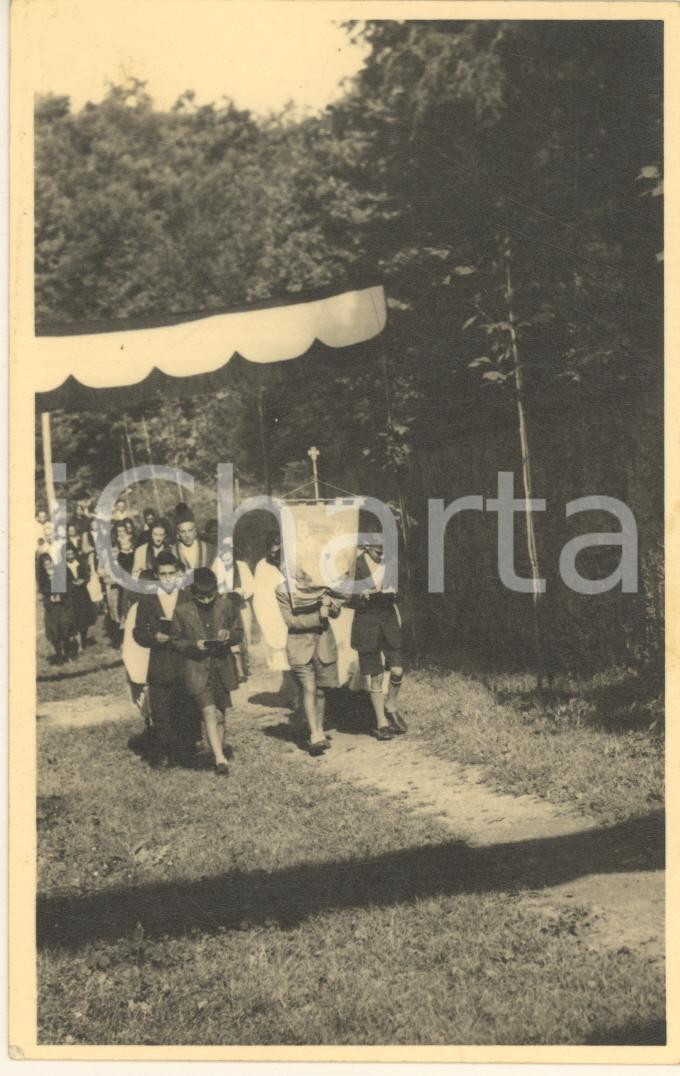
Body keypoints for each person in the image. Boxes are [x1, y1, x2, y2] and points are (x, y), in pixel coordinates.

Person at [171, 567, 242, 775]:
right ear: (192, 592)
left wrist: (229, 636)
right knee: (208, 711)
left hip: (221, 666)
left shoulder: (226, 605)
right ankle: (220, 759)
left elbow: (239, 632)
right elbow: (176, 641)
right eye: (201, 597)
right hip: (197, 668)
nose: (206, 600)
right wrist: (194, 645)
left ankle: (216, 753)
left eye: (210, 595)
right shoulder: (182, 611)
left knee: (220, 714)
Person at [134, 553, 198, 768]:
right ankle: (164, 752)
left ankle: (188, 751)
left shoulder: (187, 597)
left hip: (184, 662)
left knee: (186, 706)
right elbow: (138, 632)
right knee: (161, 709)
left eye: (172, 573)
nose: (168, 578)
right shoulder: (148, 600)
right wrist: (154, 637)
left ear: (178, 573)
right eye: (163, 574)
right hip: (160, 663)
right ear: (156, 575)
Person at [276, 574, 343, 755]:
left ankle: (319, 730)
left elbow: (336, 612)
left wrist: (329, 604)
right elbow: (291, 620)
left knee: (321, 690)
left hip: (323, 643)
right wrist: (319, 617)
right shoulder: (282, 590)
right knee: (309, 687)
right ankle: (314, 734)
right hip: (299, 646)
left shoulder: (321, 586)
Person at [348, 542, 408, 740]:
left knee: (397, 670)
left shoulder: (391, 562)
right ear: (366, 547)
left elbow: (403, 590)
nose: (381, 554)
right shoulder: (354, 565)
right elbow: (344, 596)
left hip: (389, 621)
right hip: (366, 623)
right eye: (377, 551)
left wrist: (396, 592)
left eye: (384, 549)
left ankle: (391, 705)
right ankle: (381, 723)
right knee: (376, 675)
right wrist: (360, 596)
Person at [253, 532, 297, 707]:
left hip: (295, 614)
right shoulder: (263, 566)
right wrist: (267, 620)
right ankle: (292, 690)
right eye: (273, 550)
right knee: (281, 654)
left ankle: (294, 689)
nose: (276, 554)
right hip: (275, 614)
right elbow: (261, 596)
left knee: (297, 654)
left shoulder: (293, 562)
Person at [212, 537, 255, 681]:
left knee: (244, 634)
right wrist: (222, 594)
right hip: (224, 607)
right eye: (223, 559)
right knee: (229, 635)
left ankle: (245, 666)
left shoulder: (242, 566)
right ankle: (235, 670)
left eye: (229, 559)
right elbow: (213, 585)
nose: (226, 562)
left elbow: (251, 585)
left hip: (241, 606)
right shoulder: (216, 566)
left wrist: (242, 592)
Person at [37, 552, 77, 665]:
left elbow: (69, 586)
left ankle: (68, 654)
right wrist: (50, 597)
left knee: (65, 630)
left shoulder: (60, 572)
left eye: (49, 563)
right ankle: (59, 657)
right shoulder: (42, 577)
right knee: (55, 633)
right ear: (42, 566)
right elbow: (43, 590)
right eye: (45, 565)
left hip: (63, 606)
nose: (48, 566)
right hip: (52, 609)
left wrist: (61, 595)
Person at [64, 542, 96, 651]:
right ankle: (78, 644)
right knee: (75, 619)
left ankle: (83, 640)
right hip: (71, 597)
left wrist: (83, 580)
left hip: (82, 595)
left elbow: (87, 576)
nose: (70, 557)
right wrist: (71, 584)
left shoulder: (80, 563)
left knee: (84, 618)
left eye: (71, 554)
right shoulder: (63, 567)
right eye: (68, 555)